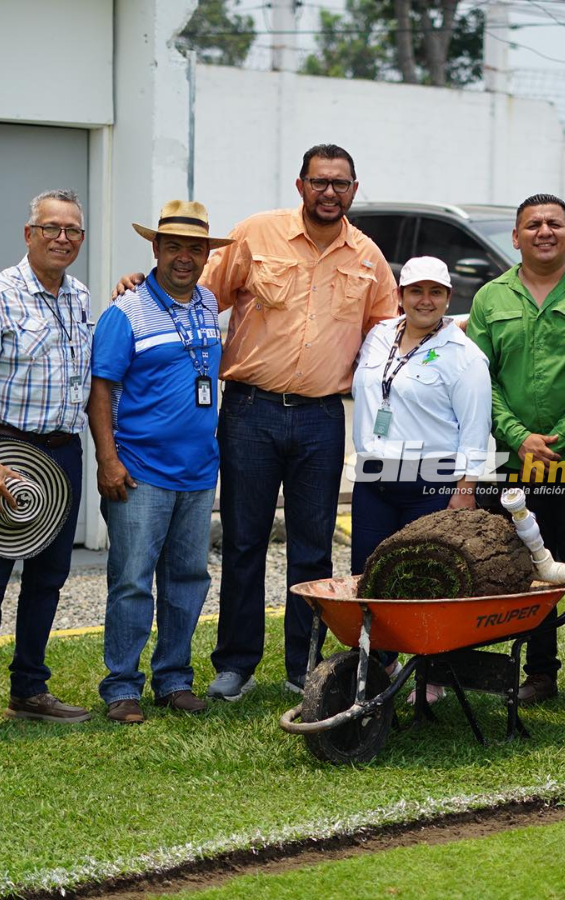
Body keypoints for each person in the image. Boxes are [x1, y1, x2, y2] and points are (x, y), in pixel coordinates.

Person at [115, 145, 398, 701]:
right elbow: (194, 295)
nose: (329, 193)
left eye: (340, 184)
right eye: (319, 182)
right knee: (244, 540)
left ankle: (305, 663)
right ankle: (236, 664)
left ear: (354, 191)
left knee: (313, 547)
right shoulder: (256, 234)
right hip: (250, 410)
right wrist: (138, 286)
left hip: (321, 417)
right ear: (300, 185)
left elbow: (388, 338)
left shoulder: (369, 258)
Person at [0, 189, 93, 746]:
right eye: (51, 228)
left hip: (63, 454)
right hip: (10, 453)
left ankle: (29, 689)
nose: (62, 238)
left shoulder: (79, 296)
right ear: (28, 233)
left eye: (73, 231)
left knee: (49, 579)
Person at [467, 193, 565, 713]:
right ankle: (537, 672)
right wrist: (518, 436)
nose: (544, 231)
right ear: (516, 238)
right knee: (525, 565)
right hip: (513, 459)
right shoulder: (491, 298)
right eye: (532, 224)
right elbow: (479, 378)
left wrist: (557, 439)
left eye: (555, 223)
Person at [89, 201, 227, 724]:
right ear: (155, 250)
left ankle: (173, 679)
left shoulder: (209, 304)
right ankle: (121, 685)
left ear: (207, 256)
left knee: (188, 578)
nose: (185, 258)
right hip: (139, 471)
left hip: (198, 471)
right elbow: (101, 389)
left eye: (195, 248)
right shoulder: (125, 312)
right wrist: (108, 458)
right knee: (130, 580)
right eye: (175, 247)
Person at [351, 256, 492, 702]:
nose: (425, 300)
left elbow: (475, 429)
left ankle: (430, 676)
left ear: (449, 298)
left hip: (429, 483)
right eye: (416, 291)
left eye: (435, 292)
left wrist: (465, 490)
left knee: (426, 582)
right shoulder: (378, 336)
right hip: (374, 477)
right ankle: (381, 666)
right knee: (369, 577)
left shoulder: (464, 356)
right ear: (401, 296)